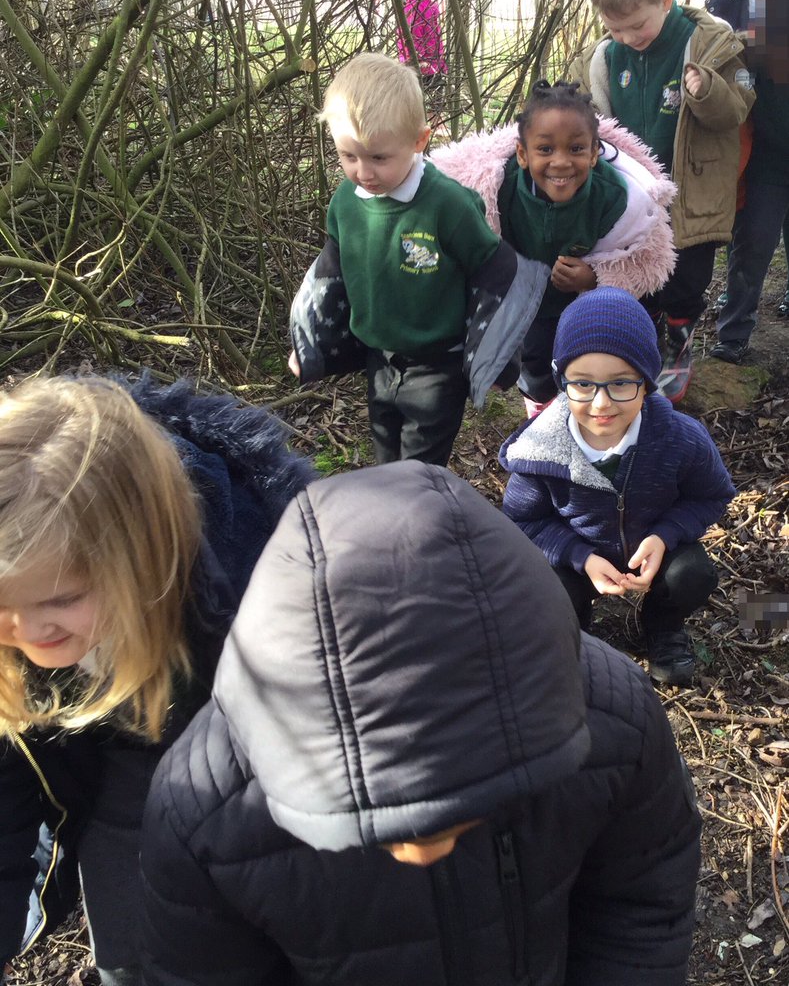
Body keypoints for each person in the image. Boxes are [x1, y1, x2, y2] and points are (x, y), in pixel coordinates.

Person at [139, 459, 701, 986]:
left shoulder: (614, 716)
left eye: (453, 818)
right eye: (384, 828)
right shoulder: (202, 806)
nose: (419, 853)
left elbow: (642, 904)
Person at [0, 374, 312, 986]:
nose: (26, 632)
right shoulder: (16, 644)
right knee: (132, 940)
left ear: (142, 558)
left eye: (60, 600)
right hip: (111, 771)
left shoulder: (262, 602)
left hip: (247, 790)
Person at [289, 52, 548, 465]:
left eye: (378, 157)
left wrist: (496, 358)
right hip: (379, 356)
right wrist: (310, 344)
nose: (363, 172)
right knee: (387, 456)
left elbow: (495, 270)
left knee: (420, 468)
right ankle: (399, 519)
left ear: (419, 141)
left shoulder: (447, 205)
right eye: (348, 156)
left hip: (437, 362)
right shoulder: (346, 203)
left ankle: (425, 524)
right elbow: (330, 272)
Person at [499, 288, 735, 687]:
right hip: (579, 560)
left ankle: (661, 623)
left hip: (653, 553)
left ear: (646, 383)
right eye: (583, 384)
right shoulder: (541, 450)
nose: (601, 404)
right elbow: (523, 520)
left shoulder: (680, 438)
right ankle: (575, 629)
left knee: (693, 575)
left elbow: (712, 494)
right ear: (562, 382)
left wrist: (665, 535)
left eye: (621, 383)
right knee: (548, 587)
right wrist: (579, 556)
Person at [569, 0, 754, 402]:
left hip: (692, 191)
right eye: (616, 28)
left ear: (666, 0)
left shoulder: (708, 43)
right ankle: (642, 346)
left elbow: (738, 108)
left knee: (687, 280)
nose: (629, 37)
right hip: (635, 198)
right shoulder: (604, 58)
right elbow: (581, 108)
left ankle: (681, 343)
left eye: (638, 25)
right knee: (639, 276)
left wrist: (707, 90)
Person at [432, 79, 677, 417]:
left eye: (576, 149)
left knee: (596, 352)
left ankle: (612, 408)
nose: (560, 163)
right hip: (530, 296)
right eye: (545, 150)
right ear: (522, 154)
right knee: (535, 359)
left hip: (586, 297)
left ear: (594, 153)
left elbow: (644, 261)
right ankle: (544, 418)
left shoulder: (618, 197)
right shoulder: (498, 187)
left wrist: (594, 278)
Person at [706, 0, 789, 361]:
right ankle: (733, 334)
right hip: (765, 148)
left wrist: (749, 42)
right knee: (753, 237)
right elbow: (707, 36)